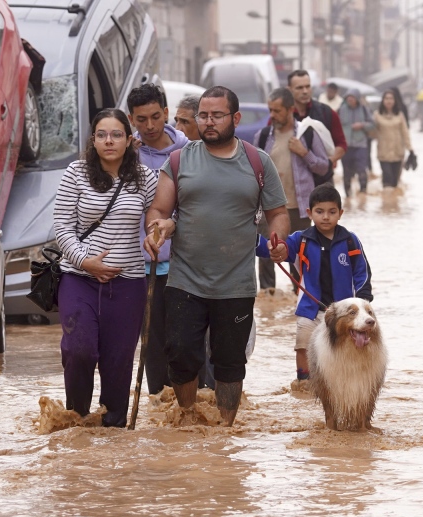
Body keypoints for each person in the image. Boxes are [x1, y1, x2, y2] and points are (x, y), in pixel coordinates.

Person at [144, 86, 291, 427]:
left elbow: (278, 213)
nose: (208, 122)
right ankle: (188, 418)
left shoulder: (257, 162)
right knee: (180, 356)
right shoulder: (180, 160)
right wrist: (159, 228)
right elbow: (159, 210)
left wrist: (278, 240)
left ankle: (225, 429)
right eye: (203, 116)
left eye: (217, 115)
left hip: (236, 284)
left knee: (229, 363)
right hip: (185, 280)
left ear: (235, 118)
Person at [54, 109, 158, 427]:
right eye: (101, 134)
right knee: (79, 349)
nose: (108, 141)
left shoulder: (145, 178)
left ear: (129, 140)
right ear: (93, 140)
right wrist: (85, 261)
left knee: (119, 361)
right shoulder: (76, 173)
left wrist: (156, 232)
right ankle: (77, 419)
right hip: (78, 278)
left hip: (128, 284)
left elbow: (161, 215)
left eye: (116, 135)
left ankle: (113, 426)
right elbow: (61, 226)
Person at [260, 184, 372, 390]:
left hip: (343, 313)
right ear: (309, 213)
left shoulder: (350, 241)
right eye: (320, 212)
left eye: (332, 212)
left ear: (341, 213)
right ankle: (304, 384)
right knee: (303, 345)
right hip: (310, 309)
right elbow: (276, 250)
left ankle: (343, 385)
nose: (326, 217)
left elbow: (362, 272)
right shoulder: (300, 240)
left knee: (346, 348)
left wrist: (364, 298)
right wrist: (263, 243)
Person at [127, 85, 188, 395]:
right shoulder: (126, 155)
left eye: (155, 117)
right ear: (131, 119)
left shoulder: (188, 152)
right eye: (141, 119)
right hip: (141, 267)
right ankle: (160, 409)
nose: (149, 126)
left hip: (185, 265)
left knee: (185, 342)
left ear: (166, 113)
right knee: (151, 344)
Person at [256, 87, 329, 292]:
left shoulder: (306, 134)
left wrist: (304, 152)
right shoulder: (262, 137)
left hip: (299, 207)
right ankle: (268, 298)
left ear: (290, 110)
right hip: (268, 207)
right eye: (270, 110)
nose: (272, 115)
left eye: (277, 110)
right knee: (266, 256)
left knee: (299, 256)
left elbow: (324, 167)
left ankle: (300, 297)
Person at [287, 69, 347, 183]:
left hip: (323, 180)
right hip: (293, 182)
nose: (305, 91)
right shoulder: (283, 116)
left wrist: (329, 162)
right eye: (299, 88)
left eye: (308, 86)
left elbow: (341, 144)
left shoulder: (326, 113)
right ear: (289, 90)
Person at [374, 90, 411, 193]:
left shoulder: (400, 115)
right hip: (383, 153)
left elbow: (405, 133)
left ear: (395, 101)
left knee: (395, 182)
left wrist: (410, 149)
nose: (389, 101)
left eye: (391, 98)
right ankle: (386, 205)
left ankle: (393, 207)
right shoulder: (377, 115)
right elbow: (372, 133)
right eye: (386, 98)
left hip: (398, 153)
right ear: (383, 100)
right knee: (387, 179)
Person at [338, 90, 374, 198]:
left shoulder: (364, 109)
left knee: (362, 170)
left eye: (352, 98)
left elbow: (373, 124)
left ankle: (363, 194)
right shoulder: (341, 109)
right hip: (346, 146)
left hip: (361, 145)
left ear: (357, 99)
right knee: (347, 171)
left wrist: (362, 125)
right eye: (348, 98)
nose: (350, 100)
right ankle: (347, 196)